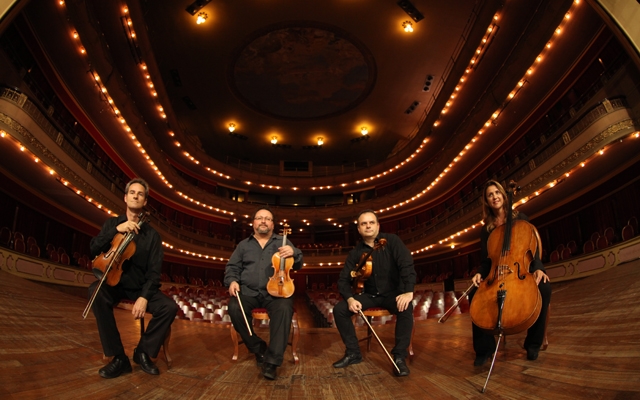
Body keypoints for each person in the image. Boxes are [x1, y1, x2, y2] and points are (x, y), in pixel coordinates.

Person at [88, 178, 177, 378]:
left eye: (141, 194)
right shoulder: (113, 224)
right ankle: (119, 358)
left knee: (168, 307)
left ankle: (143, 352)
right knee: (95, 291)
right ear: (126, 197)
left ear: (145, 201)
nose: (136, 196)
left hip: (140, 287)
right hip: (114, 282)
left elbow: (155, 272)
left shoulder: (152, 236)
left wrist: (144, 296)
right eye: (132, 193)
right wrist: (115, 231)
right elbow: (93, 248)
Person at [470, 180, 551, 366]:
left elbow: (532, 249)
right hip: (497, 273)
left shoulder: (520, 218)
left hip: (520, 269)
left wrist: (538, 268)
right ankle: (484, 349)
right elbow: (486, 261)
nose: (494, 197)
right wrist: (479, 273)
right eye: (490, 195)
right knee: (475, 294)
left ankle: (533, 344)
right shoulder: (487, 230)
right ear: (487, 201)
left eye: (497, 193)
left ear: (503, 195)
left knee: (544, 288)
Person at [332, 209, 416, 376]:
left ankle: (399, 357)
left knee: (406, 308)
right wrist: (349, 299)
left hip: (393, 293)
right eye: (364, 223)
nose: (368, 226)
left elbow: (406, 265)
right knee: (339, 310)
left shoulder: (392, 241)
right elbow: (343, 280)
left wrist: (408, 291)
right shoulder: (356, 252)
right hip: (369, 295)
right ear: (359, 229)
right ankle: (353, 352)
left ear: (378, 225)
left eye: (371, 222)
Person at [224, 207, 303, 380]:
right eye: (260, 218)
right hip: (248, 291)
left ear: (272, 224)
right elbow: (232, 267)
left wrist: (295, 253)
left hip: (275, 292)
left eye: (267, 219)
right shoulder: (243, 245)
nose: (263, 221)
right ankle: (257, 347)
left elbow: (298, 264)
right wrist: (232, 281)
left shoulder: (282, 241)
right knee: (234, 307)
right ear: (253, 223)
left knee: (284, 309)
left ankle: (272, 362)